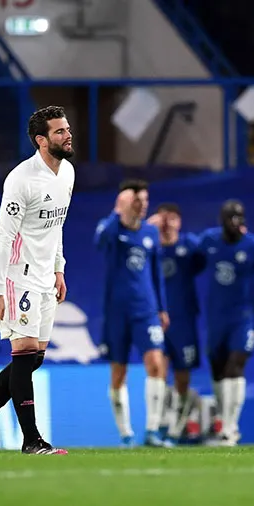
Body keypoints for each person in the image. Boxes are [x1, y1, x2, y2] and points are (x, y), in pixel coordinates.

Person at [0, 105, 73, 456]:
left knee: (33, 358)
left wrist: (59, 268)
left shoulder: (66, 173)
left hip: (44, 277)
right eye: (59, 132)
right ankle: (32, 440)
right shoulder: (21, 180)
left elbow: (57, 227)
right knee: (23, 353)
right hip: (18, 276)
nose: (68, 135)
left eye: (67, 129)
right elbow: (3, 237)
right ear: (41, 140)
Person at [95, 179, 169, 447]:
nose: (143, 205)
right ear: (125, 202)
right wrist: (117, 211)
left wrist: (162, 308)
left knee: (156, 364)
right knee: (118, 373)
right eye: (137, 200)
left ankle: (152, 431)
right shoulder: (112, 229)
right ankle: (126, 434)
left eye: (145, 200)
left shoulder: (150, 233)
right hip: (117, 312)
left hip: (146, 310)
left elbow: (157, 273)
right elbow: (100, 241)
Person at [198, 200, 254, 446]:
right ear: (222, 221)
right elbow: (189, 263)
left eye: (241, 216)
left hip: (243, 317)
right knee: (218, 370)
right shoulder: (208, 241)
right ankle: (225, 419)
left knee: (236, 365)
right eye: (233, 217)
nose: (238, 222)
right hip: (215, 317)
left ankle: (231, 427)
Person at [147, 203, 205, 446]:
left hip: (184, 320)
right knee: (157, 367)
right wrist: (148, 228)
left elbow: (205, 259)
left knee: (182, 376)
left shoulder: (190, 246)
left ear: (180, 222)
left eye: (173, 218)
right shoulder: (150, 247)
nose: (168, 223)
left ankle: (177, 427)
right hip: (156, 318)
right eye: (164, 218)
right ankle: (155, 424)